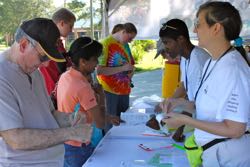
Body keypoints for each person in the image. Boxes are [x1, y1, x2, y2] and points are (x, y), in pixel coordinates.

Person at [161, 2, 250, 167]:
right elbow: (210, 106)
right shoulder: (213, 61)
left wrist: (184, 120)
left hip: (228, 157)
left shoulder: (232, 69)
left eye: (198, 24)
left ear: (216, 28)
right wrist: (178, 102)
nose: (194, 31)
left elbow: (235, 129)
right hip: (215, 153)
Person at [0, 18, 92, 167]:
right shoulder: (2, 77)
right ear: (23, 45)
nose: (46, 64)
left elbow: (49, 113)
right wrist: (71, 133)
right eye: (43, 56)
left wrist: (70, 119)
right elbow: (15, 138)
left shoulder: (34, 72)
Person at [57, 37, 121, 166]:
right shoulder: (82, 87)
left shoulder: (66, 76)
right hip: (79, 146)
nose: (97, 63)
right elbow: (100, 123)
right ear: (83, 61)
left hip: (66, 141)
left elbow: (79, 109)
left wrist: (108, 117)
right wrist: (101, 96)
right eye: (94, 59)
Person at [155, 19, 210, 112]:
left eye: (167, 42)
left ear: (180, 39)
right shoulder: (184, 58)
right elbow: (183, 86)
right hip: (197, 113)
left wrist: (180, 120)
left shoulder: (198, 60)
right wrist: (167, 102)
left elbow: (200, 101)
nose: (165, 48)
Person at [97, 23, 137, 131]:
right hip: (110, 92)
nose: (130, 41)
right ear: (123, 32)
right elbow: (99, 70)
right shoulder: (105, 44)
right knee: (110, 126)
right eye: (129, 38)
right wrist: (122, 69)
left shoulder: (125, 45)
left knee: (123, 124)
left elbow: (130, 64)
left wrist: (131, 71)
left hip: (124, 91)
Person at [39, 8, 76, 108]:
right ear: (62, 23)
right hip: (52, 91)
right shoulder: (47, 42)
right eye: (70, 26)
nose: (71, 30)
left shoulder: (58, 42)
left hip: (59, 88)